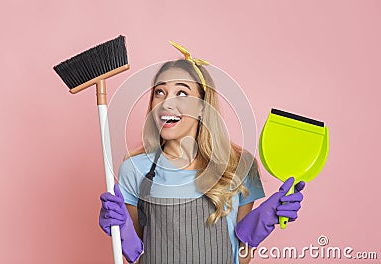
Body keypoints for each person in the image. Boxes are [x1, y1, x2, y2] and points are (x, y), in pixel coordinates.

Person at [99, 42, 305, 263]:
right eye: (160, 92)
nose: (167, 102)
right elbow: (139, 257)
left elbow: (240, 258)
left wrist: (260, 226)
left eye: (181, 93)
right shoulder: (134, 169)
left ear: (202, 107)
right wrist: (124, 236)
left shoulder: (238, 166)